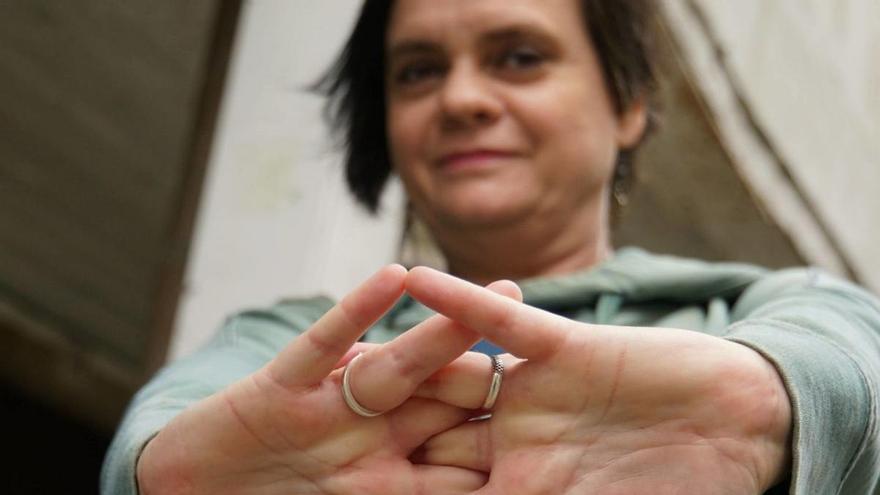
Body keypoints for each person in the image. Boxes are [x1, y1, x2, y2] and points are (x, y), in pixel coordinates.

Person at [102, 0, 880, 493]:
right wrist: (165, 475)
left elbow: (848, 348)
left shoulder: (760, 304)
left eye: (518, 56)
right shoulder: (285, 343)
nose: (462, 99)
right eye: (418, 72)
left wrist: (767, 404)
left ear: (628, 104)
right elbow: (163, 436)